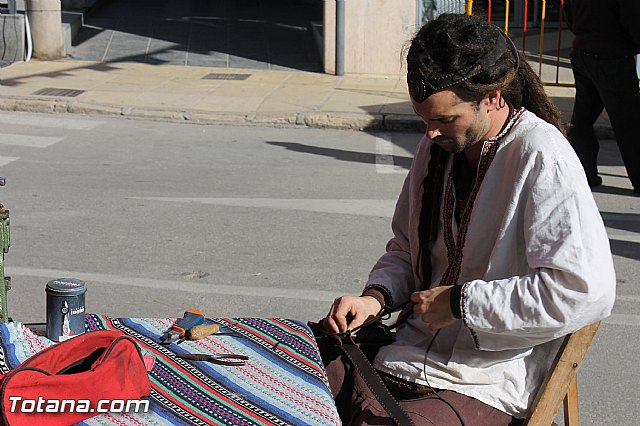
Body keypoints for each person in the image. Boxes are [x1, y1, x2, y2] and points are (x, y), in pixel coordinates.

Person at [318, 13, 616, 426]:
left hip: (484, 379)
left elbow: (582, 291)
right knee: (288, 371)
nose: (430, 134)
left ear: (492, 97)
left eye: (444, 120)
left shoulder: (541, 156)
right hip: (405, 354)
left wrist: (461, 304)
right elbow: (406, 249)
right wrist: (375, 298)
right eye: (424, 120)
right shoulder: (437, 150)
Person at [563, 0, 640, 193]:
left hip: (583, 52)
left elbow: (569, 18)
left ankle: (585, 173)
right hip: (612, 58)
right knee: (629, 124)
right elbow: (634, 24)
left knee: (582, 118)